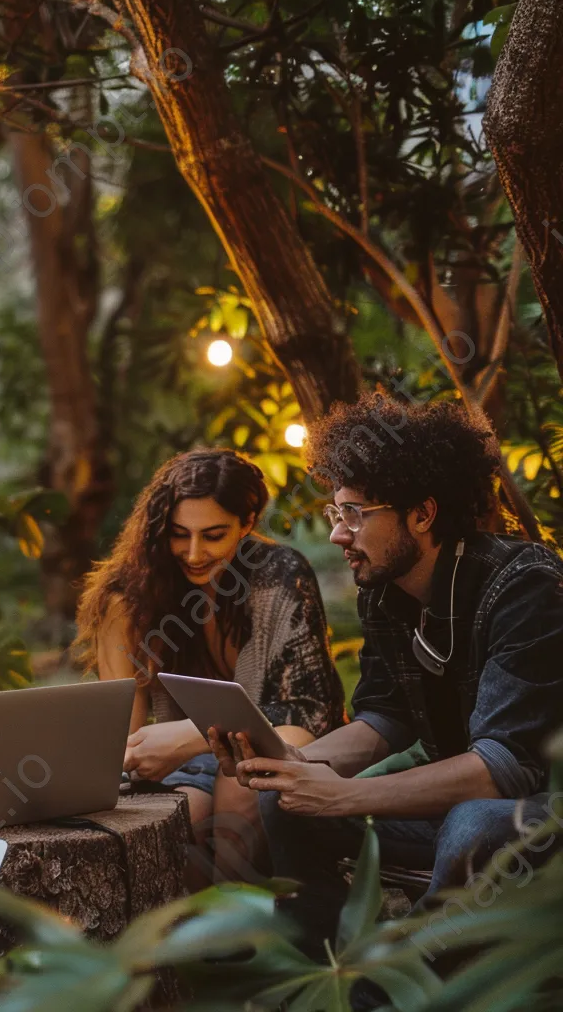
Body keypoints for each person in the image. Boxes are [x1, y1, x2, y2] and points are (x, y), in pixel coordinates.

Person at [212, 395, 563, 964]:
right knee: (287, 802)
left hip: (539, 812)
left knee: (473, 823)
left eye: (354, 513)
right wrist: (291, 766)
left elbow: (503, 769)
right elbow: (385, 717)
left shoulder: (525, 587)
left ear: (422, 514)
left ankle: (396, 984)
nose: (336, 535)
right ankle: (317, 975)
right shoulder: (384, 591)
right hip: (464, 812)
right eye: (335, 514)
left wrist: (345, 795)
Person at [74, 448, 344, 882]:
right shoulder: (133, 594)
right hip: (184, 768)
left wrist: (197, 734)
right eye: (179, 534)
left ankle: (242, 937)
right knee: (181, 821)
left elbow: (306, 714)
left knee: (240, 787)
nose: (194, 553)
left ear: (247, 522)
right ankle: (180, 939)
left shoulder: (279, 576)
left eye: (214, 535)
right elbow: (121, 735)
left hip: (289, 747)